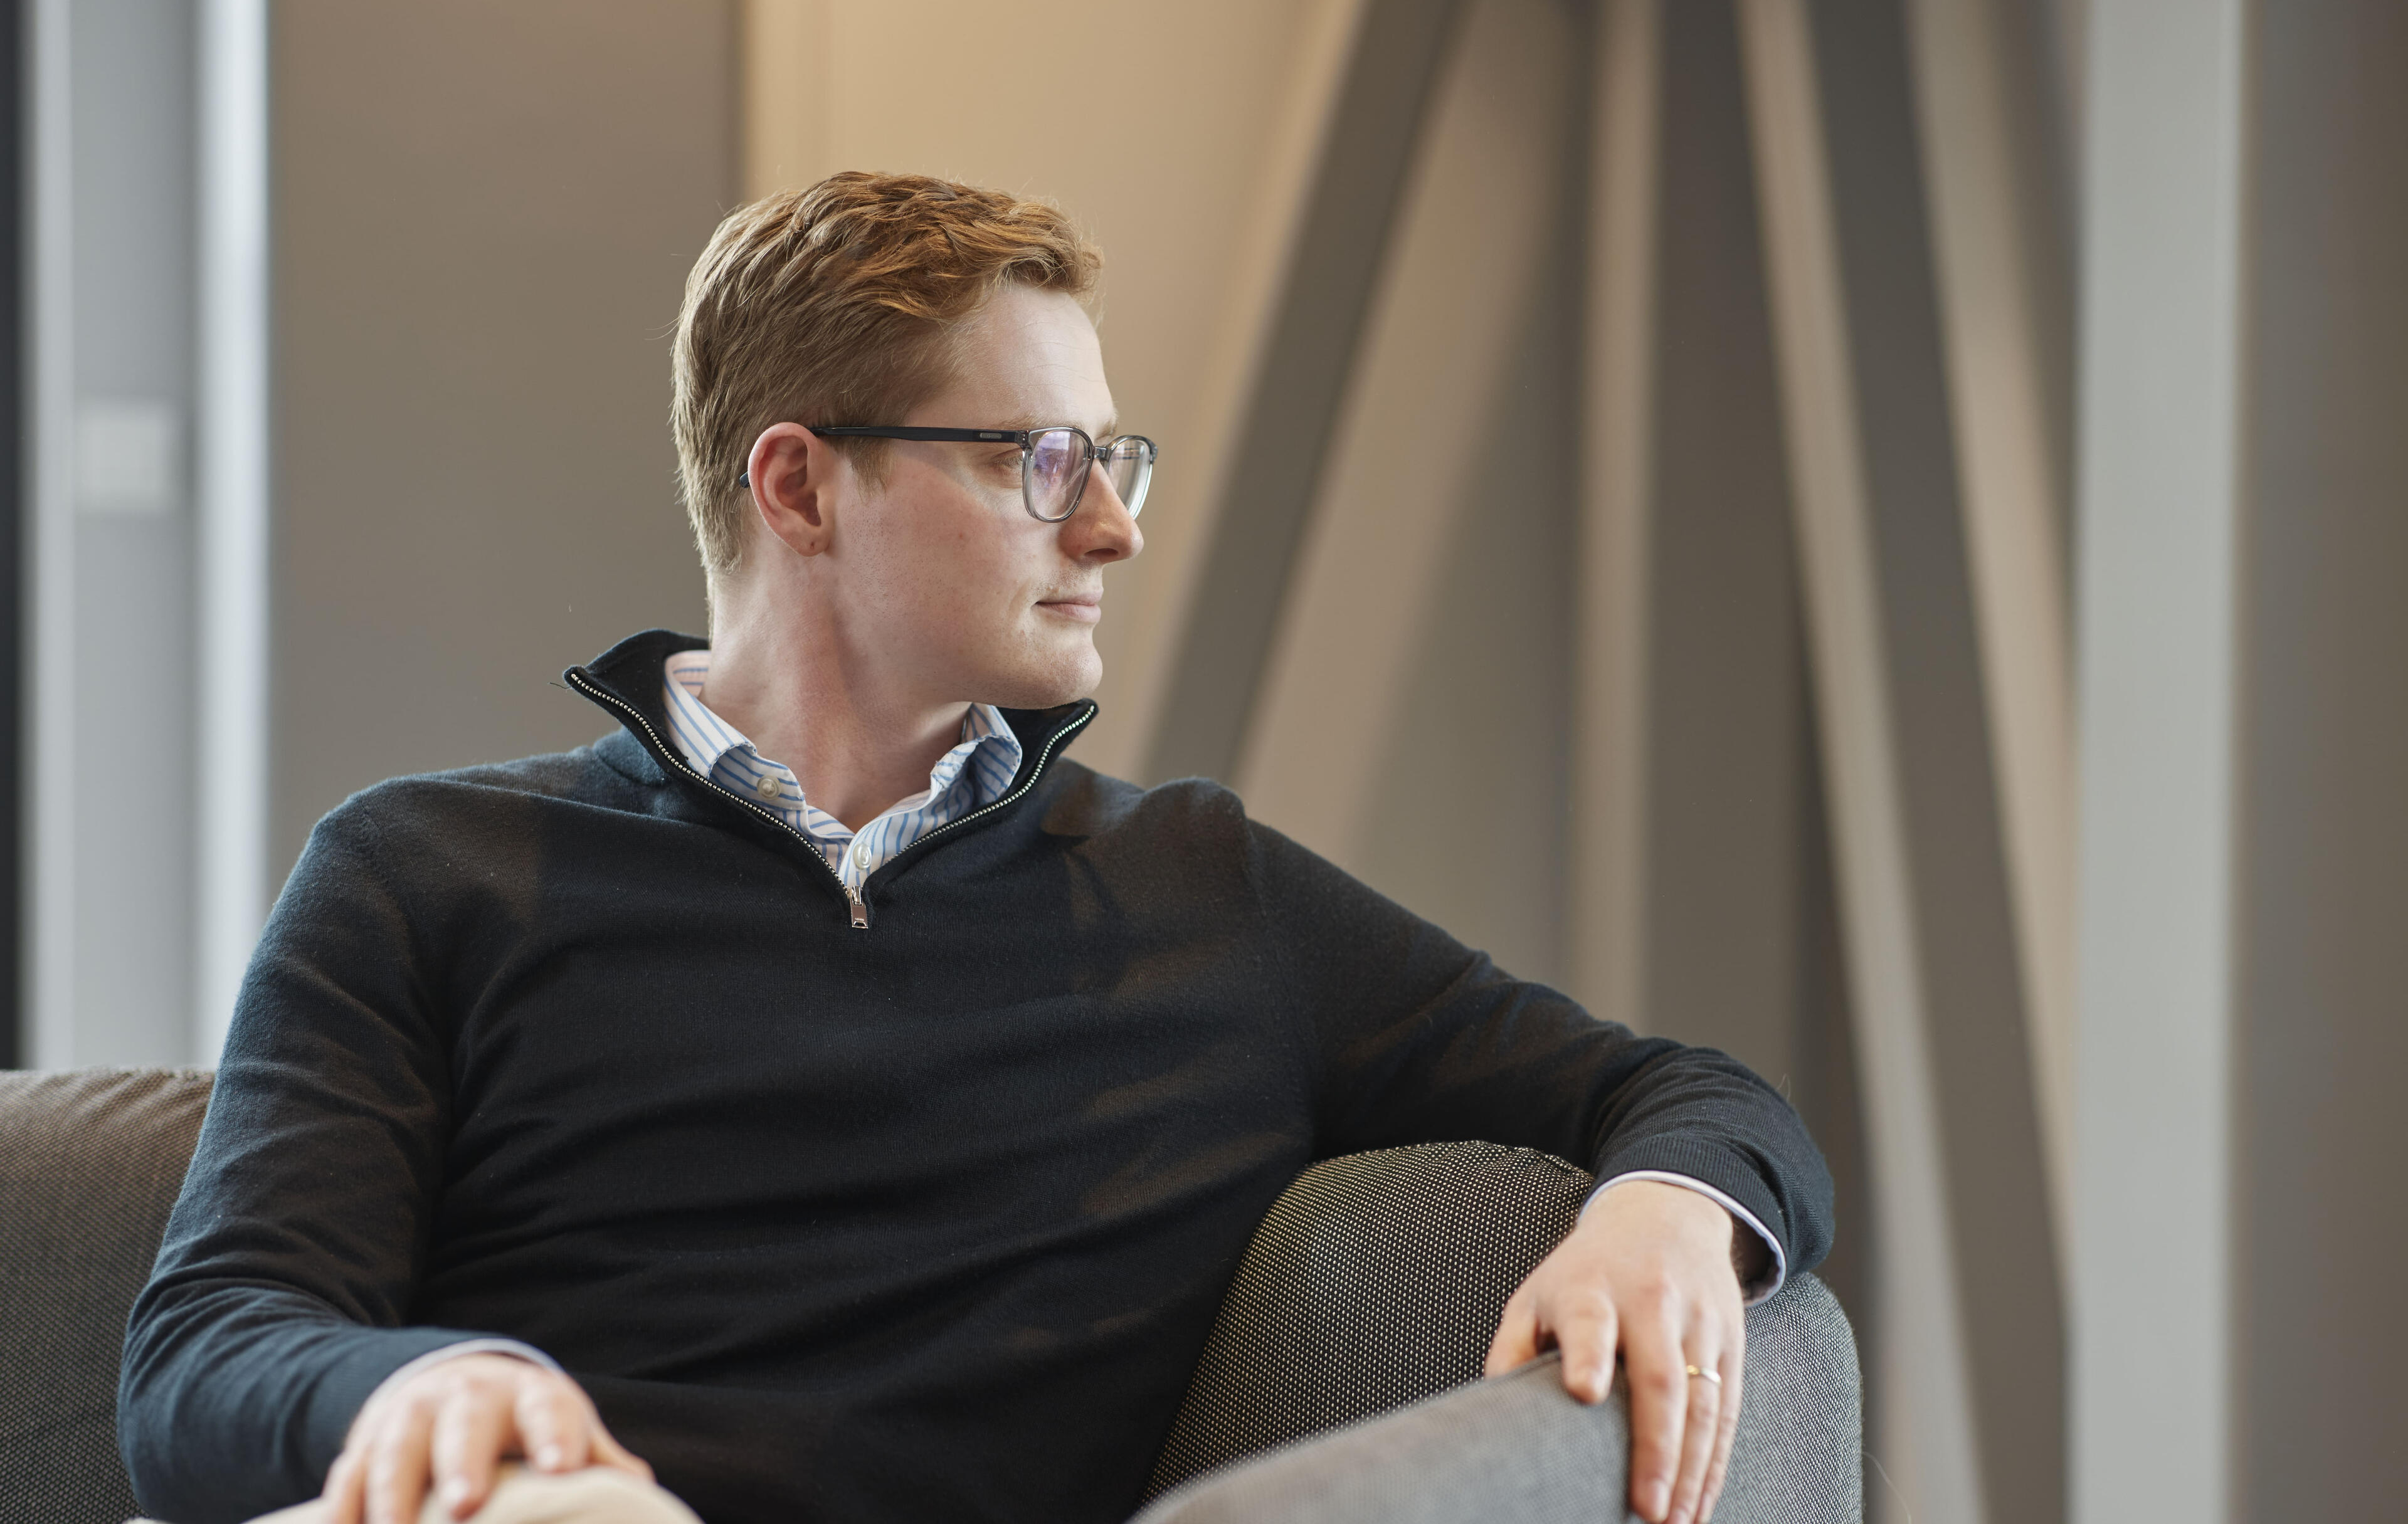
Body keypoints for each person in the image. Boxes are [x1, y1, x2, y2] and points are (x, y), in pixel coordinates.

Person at [120, 173, 1832, 1524]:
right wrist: (418, 1389)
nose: (1116, 526)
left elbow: (1687, 1092)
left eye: (1114, 458)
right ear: (801, 489)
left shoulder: (1207, 891)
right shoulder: (426, 871)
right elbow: (202, 1358)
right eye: (1044, 460)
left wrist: (1665, 1215)